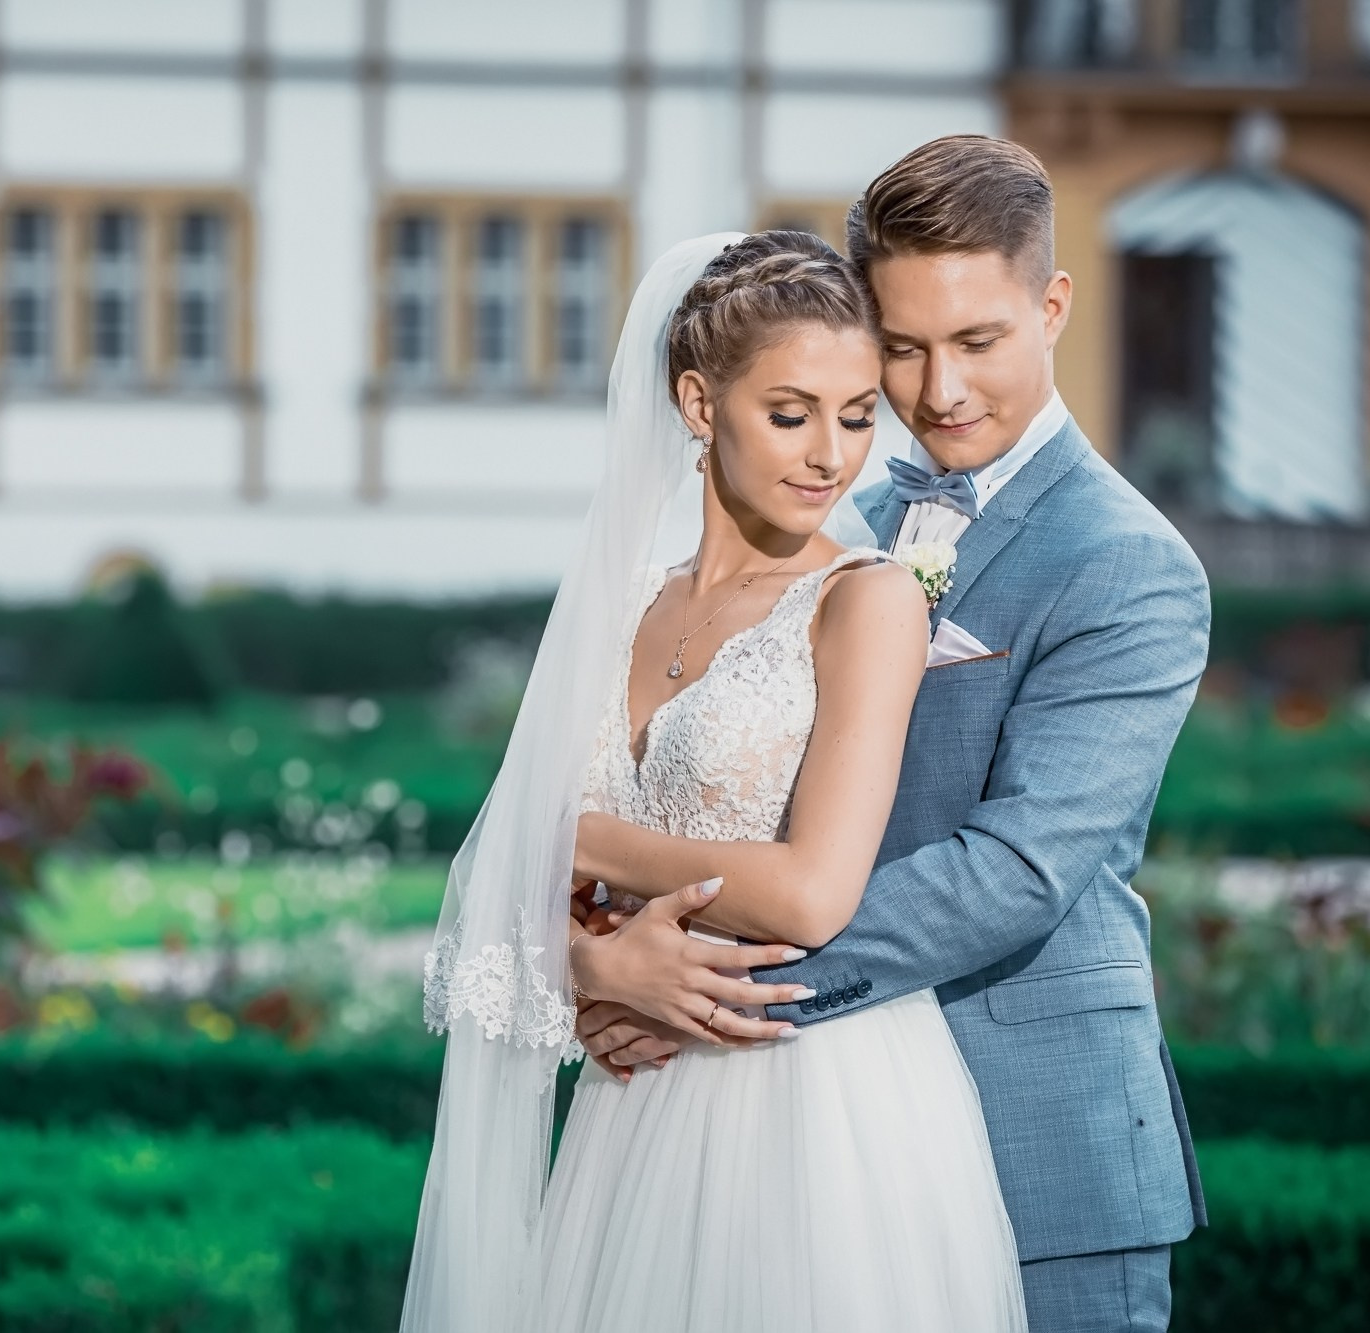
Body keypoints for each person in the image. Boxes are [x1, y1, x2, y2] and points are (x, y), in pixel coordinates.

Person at [569, 135, 1210, 1333]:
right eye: (902, 349)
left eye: (975, 341)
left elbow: (1013, 873)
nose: (937, 390)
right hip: (796, 1150)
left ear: (1052, 305)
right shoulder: (825, 511)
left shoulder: (1129, 567)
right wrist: (597, 960)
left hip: (1038, 1144)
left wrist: (701, 989)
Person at [404, 226, 1027, 1333]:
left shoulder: (868, 600)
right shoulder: (621, 600)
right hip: (632, 1098)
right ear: (698, 406)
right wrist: (596, 964)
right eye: (788, 414)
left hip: (810, 1106)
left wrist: (580, 837)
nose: (829, 455)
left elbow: (808, 893)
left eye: (853, 416)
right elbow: (493, 898)